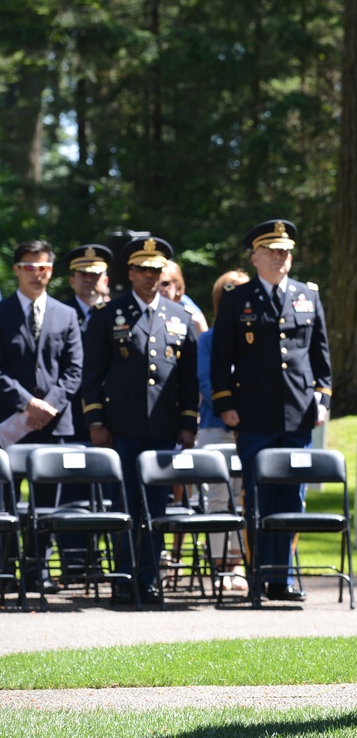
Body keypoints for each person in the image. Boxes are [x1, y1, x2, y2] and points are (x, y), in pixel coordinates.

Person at [210, 219, 332, 603]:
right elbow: (220, 360)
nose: (281, 257)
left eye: (285, 251)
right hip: (254, 415)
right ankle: (260, 575)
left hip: (297, 414)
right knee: (259, 497)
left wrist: (323, 399)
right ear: (255, 256)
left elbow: (321, 357)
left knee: (292, 498)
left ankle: (285, 578)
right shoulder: (235, 298)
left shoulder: (307, 296)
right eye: (272, 251)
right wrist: (225, 404)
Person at [81, 236, 199, 604]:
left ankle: (148, 578)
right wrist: (96, 422)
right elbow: (92, 376)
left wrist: (188, 423)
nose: (150, 277)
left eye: (156, 270)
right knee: (125, 507)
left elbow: (188, 379)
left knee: (157, 508)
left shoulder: (179, 318)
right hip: (122, 429)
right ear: (130, 272)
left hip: (163, 429)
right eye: (143, 270)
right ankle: (123, 578)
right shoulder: (108, 316)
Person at [0, 240, 83, 592]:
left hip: (53, 424)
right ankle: (4, 572)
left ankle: (38, 571)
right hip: (9, 424)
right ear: (17, 269)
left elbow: (75, 370)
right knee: (5, 503)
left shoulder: (66, 315)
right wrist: (24, 402)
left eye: (44, 267)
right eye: (30, 267)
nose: (38, 274)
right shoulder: (1, 313)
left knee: (47, 504)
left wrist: (48, 405)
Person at [58, 243, 113, 580]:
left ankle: (99, 565)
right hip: (72, 420)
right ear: (72, 279)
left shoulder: (115, 314)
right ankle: (74, 563)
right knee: (73, 494)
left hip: (111, 418)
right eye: (83, 275)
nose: (90, 281)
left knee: (105, 495)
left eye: (96, 275)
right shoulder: (61, 314)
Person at [197, 268, 250, 588]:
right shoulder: (209, 339)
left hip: (251, 430)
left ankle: (238, 563)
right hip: (217, 426)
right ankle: (219, 566)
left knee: (243, 498)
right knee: (217, 498)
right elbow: (207, 383)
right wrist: (232, 409)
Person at [159, 259, 209, 337]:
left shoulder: (192, 314)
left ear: (177, 285)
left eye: (165, 284)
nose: (160, 289)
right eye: (156, 283)